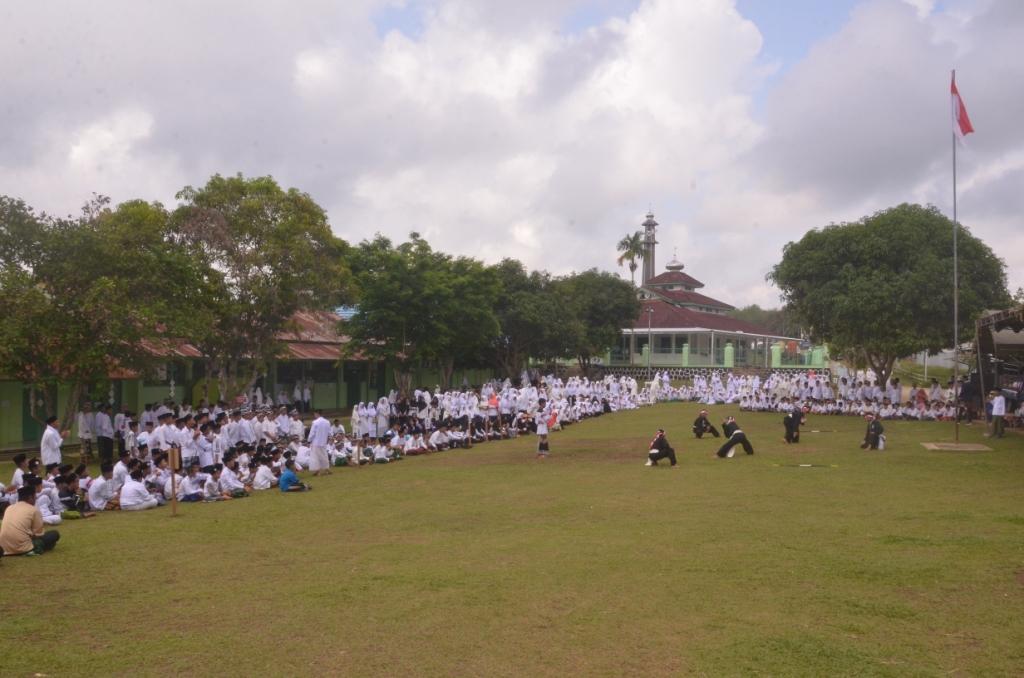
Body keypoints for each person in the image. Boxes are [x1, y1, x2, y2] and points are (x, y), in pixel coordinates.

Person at [0, 485, 60, 556]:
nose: (36, 498)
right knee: (54, 534)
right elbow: (38, 535)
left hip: (4, 548)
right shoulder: (33, 510)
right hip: (23, 548)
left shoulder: (9, 508)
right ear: (30, 497)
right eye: (35, 496)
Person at [307, 409, 332, 476]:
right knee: (324, 456)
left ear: (317, 414)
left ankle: (318, 471)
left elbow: (312, 433)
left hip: (316, 442)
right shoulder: (327, 422)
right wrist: (327, 438)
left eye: (314, 414)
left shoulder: (315, 422)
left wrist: (309, 440)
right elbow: (330, 433)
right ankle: (326, 470)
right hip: (323, 442)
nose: (314, 415)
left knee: (315, 457)